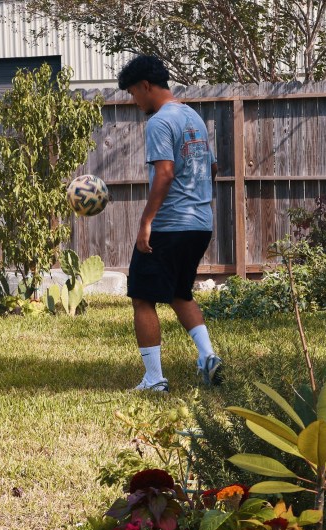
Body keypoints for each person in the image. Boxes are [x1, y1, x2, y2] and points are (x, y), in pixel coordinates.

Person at [117, 55, 223, 393]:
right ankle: (208, 357)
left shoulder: (160, 122)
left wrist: (146, 221)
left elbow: (164, 173)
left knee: (142, 297)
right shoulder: (193, 117)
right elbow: (213, 168)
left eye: (133, 93)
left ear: (146, 86)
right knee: (179, 293)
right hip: (200, 223)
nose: (135, 102)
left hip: (170, 225)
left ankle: (154, 379)